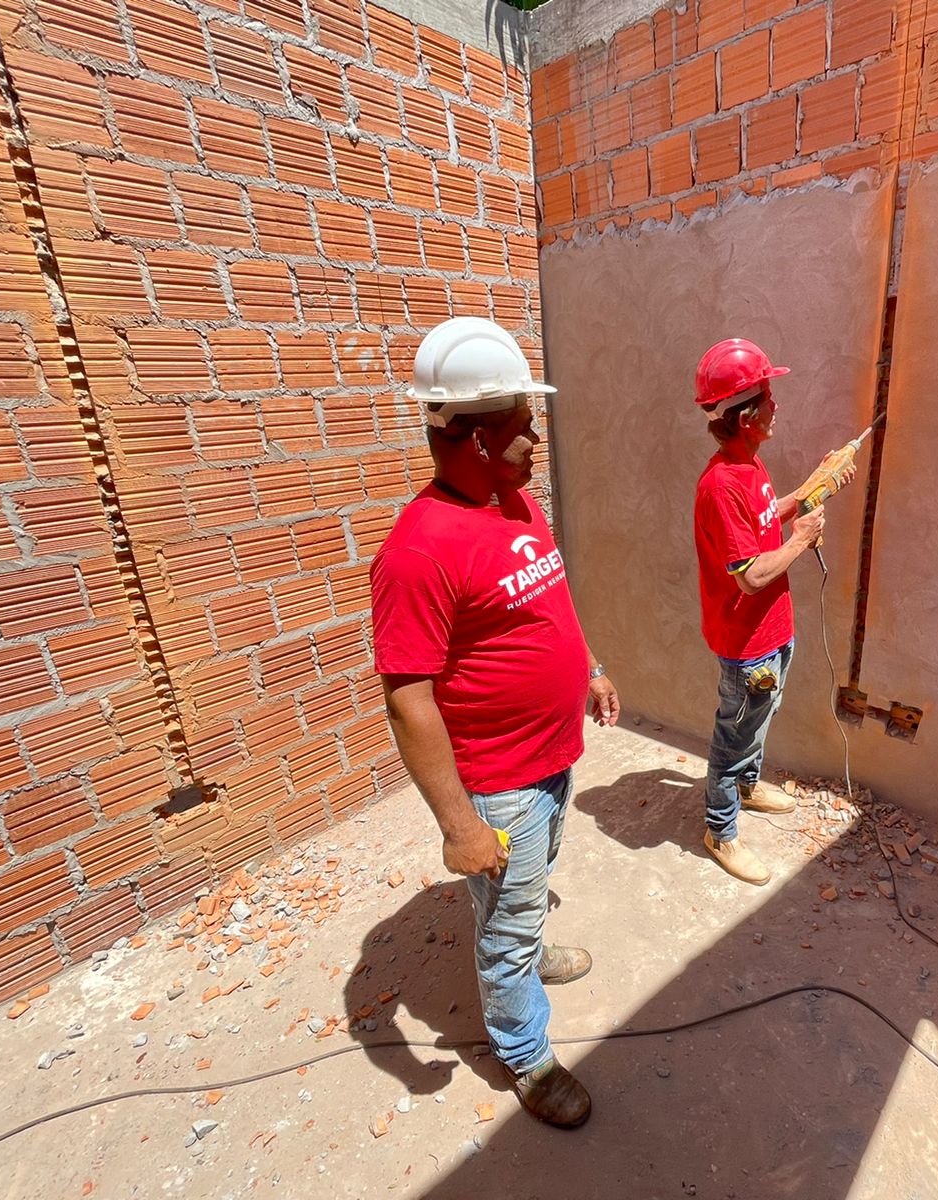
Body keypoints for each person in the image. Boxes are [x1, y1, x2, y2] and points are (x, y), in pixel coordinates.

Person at [370, 316, 619, 1129]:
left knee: (527, 891)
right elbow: (408, 697)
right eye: (521, 427)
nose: (534, 439)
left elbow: (545, 600)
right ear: (473, 438)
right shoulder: (419, 551)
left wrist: (587, 668)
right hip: (502, 782)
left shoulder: (514, 503)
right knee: (504, 919)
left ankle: (526, 953)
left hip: (551, 759)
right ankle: (527, 1057)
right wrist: (456, 824)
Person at [692, 338, 854, 885]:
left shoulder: (749, 466)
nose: (776, 405)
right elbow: (753, 574)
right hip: (747, 643)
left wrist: (810, 491)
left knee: (757, 721)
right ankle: (720, 829)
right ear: (744, 416)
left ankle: (746, 785)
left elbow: (765, 520)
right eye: (767, 395)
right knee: (733, 735)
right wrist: (804, 539)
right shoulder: (720, 485)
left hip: (774, 632)